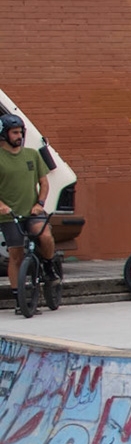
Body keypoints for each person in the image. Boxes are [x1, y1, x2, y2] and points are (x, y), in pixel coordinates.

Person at [0, 113, 57, 313]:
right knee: (15, 255)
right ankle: (19, 299)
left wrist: (40, 203)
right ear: (4, 134)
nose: (19, 136)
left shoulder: (32, 154)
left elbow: (44, 183)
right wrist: (2, 205)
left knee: (45, 236)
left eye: (20, 132)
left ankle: (48, 265)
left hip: (33, 211)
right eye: (15, 133)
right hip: (9, 215)